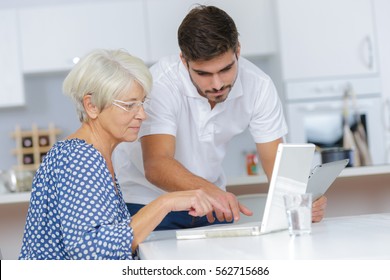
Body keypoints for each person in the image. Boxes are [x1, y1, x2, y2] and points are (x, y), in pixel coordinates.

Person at [113, 5, 327, 230]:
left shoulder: (259, 86)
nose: (217, 84)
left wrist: (301, 201)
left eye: (225, 69)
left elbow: (275, 162)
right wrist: (213, 192)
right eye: (203, 73)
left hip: (210, 206)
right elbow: (157, 163)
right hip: (148, 203)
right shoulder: (160, 84)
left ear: (238, 51)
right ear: (184, 61)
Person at [18, 49, 227, 260]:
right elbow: (94, 253)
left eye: (142, 103)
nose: (142, 115)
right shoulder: (79, 158)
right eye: (129, 105)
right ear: (91, 106)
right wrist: (166, 203)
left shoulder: (91, 154)